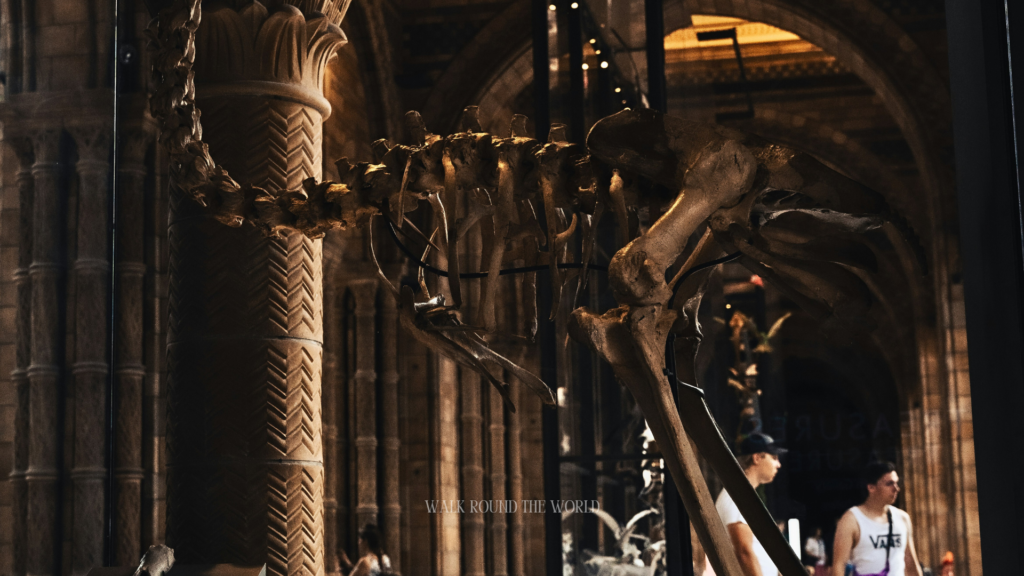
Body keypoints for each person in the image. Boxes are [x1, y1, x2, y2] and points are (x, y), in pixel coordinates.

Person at [832, 461, 922, 576]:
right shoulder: (852, 520)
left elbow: (910, 563)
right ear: (871, 487)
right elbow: (839, 565)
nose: (896, 488)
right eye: (889, 484)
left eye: (896, 483)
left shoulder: (902, 518)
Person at [715, 432, 787, 576]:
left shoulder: (743, 495)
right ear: (757, 458)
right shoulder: (739, 497)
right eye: (774, 457)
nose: (778, 464)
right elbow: (744, 553)